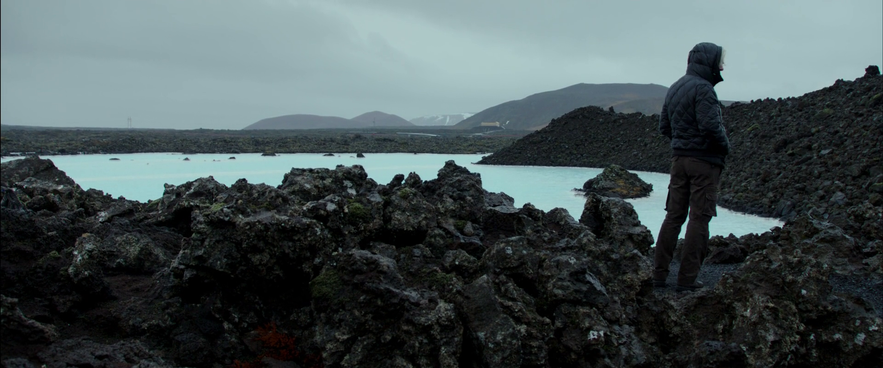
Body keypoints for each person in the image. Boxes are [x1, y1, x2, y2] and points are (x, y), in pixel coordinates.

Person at [653, 42, 730, 292]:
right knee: (699, 218)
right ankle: (687, 279)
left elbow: (664, 127)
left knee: (673, 215)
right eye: (719, 60)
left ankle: (659, 274)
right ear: (708, 62)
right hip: (704, 163)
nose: (722, 65)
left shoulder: (675, 88)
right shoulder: (705, 89)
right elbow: (710, 127)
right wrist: (724, 146)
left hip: (678, 161)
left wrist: (683, 142)